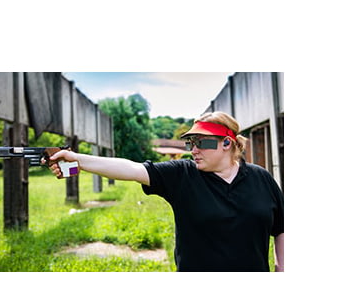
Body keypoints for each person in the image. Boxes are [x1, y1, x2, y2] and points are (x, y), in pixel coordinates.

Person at [43, 111, 284, 272]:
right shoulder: (182, 175)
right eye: (191, 143)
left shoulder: (261, 179)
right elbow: (130, 168)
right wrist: (77, 159)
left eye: (202, 142)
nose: (194, 150)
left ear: (227, 143)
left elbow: (281, 229)